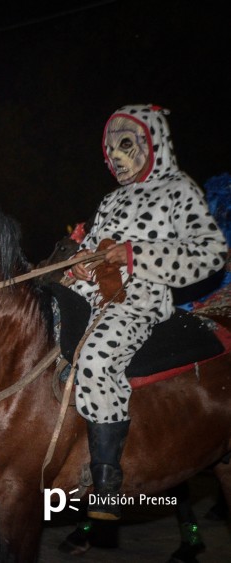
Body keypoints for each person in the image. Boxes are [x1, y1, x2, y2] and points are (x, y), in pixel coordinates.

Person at [67, 104, 227, 520]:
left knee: (96, 358)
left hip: (138, 302)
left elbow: (211, 254)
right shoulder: (110, 199)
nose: (116, 156)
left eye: (126, 145)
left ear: (153, 141)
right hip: (88, 296)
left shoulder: (178, 189)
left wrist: (136, 255)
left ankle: (107, 483)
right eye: (110, 149)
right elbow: (94, 247)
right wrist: (80, 263)